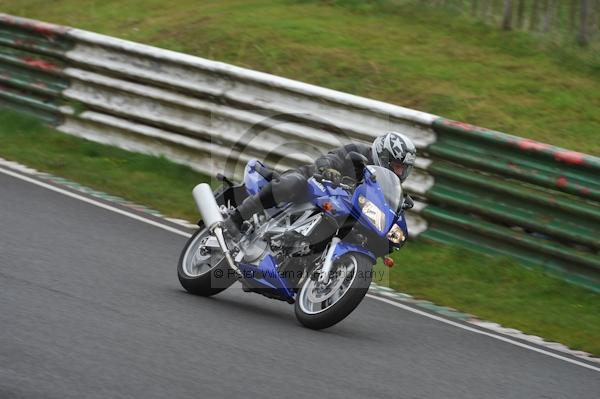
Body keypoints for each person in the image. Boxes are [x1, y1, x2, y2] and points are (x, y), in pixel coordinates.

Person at [223, 132, 416, 235]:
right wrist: (327, 169)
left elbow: (385, 203)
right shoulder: (357, 151)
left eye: (403, 169)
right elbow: (331, 158)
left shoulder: (387, 183)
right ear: (383, 155)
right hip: (316, 183)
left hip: (344, 209)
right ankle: (238, 217)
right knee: (295, 183)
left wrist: (398, 209)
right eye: (397, 166)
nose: (399, 172)